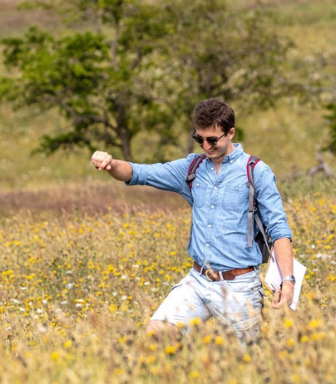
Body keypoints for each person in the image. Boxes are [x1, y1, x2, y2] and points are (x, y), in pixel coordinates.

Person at [90, 98, 294, 344]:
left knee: (246, 365)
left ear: (230, 133)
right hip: (198, 280)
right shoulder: (192, 168)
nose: (205, 146)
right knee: (157, 333)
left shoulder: (256, 171)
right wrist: (110, 164)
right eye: (200, 139)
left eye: (212, 140)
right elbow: (139, 172)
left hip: (239, 287)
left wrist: (288, 280)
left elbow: (279, 229)